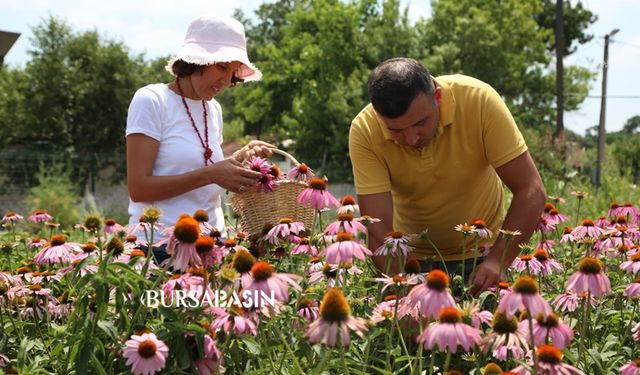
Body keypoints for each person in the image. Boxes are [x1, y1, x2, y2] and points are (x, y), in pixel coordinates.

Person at [348, 57, 546, 296]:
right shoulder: (365, 130)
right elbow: (377, 227)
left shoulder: (479, 100)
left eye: (421, 122)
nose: (411, 139)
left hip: (483, 258)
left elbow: (531, 190)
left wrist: (498, 261)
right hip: (410, 262)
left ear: (438, 98)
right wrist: (402, 289)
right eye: (396, 130)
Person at [126, 14, 276, 261]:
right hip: (158, 251)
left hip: (209, 248)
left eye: (233, 70)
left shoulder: (213, 109)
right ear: (196, 61)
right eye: (222, 67)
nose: (227, 81)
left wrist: (240, 158)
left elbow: (204, 168)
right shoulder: (152, 100)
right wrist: (211, 174)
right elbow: (138, 188)